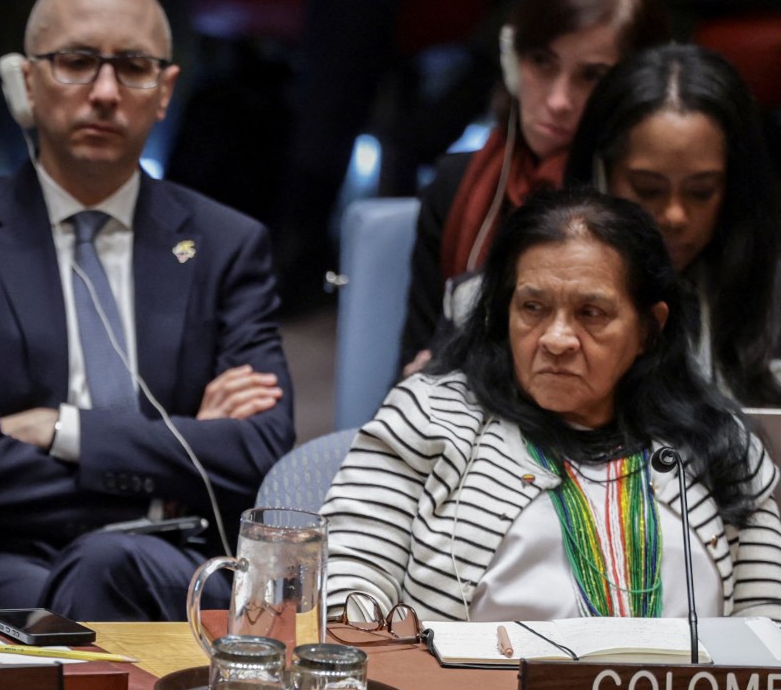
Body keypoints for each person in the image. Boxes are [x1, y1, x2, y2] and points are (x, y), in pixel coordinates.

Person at [0, 0, 294, 623]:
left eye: (132, 67)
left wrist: (59, 430)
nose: (103, 92)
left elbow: (258, 450)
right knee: (80, 583)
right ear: (27, 82)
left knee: (107, 569)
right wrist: (170, 473)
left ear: (165, 90)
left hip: (168, 558)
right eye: (77, 62)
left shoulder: (226, 245)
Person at [327, 189, 781, 624]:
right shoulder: (430, 418)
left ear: (648, 328)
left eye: (591, 313)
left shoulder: (719, 441)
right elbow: (345, 592)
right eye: (533, 307)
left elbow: (769, 632)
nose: (556, 339)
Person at [398, 0, 669, 372]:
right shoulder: (455, 184)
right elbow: (411, 366)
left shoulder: (655, 197)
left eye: (591, 76)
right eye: (542, 62)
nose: (558, 100)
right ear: (511, 60)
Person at [566, 44, 781, 405]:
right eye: (648, 189)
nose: (674, 216)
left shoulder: (771, 297)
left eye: (701, 191)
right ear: (600, 174)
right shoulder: (530, 291)